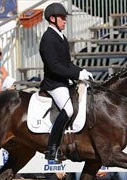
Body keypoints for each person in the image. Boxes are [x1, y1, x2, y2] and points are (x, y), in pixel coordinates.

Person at [40, 3, 93, 161]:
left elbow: (67, 64)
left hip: (64, 82)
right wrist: (77, 74)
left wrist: (82, 72)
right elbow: (54, 66)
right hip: (54, 84)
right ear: (53, 18)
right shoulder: (48, 38)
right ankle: (52, 148)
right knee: (69, 109)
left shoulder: (61, 37)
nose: (65, 21)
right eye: (62, 18)